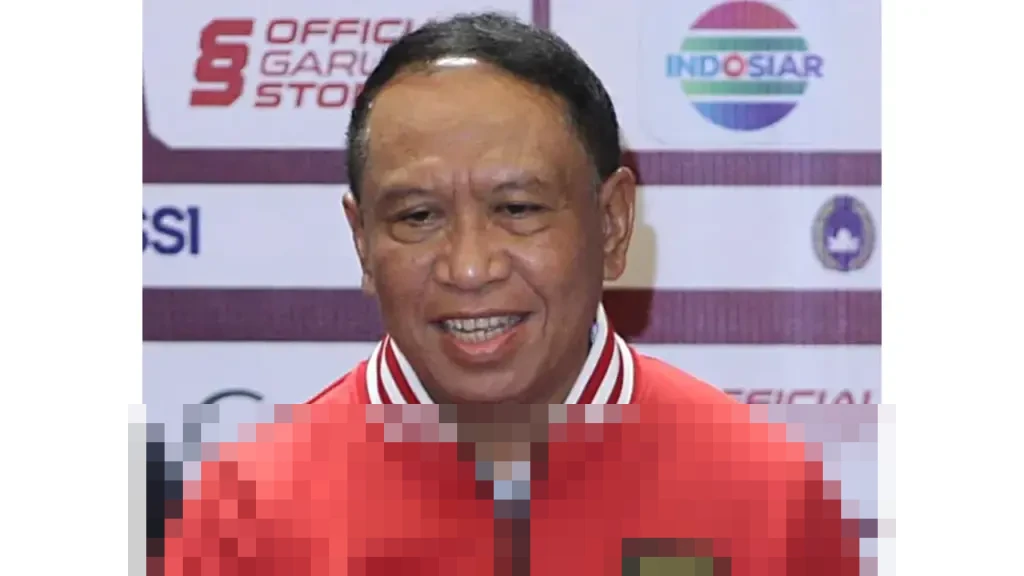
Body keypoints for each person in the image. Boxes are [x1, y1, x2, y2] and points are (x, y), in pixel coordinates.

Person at [163, 12, 859, 575]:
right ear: (362, 241)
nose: (470, 268)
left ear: (612, 223)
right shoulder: (244, 511)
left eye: (518, 209)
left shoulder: (770, 492)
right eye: (418, 217)